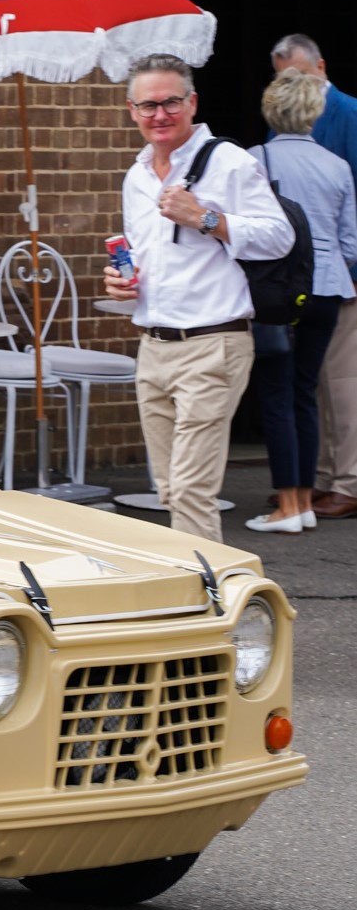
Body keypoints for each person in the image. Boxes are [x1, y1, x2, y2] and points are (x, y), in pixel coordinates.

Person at [103, 54, 294, 542]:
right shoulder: (137, 176)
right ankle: (202, 588)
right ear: (132, 110)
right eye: (149, 105)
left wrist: (207, 218)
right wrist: (123, 283)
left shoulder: (228, 163)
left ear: (192, 103)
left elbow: (279, 236)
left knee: (191, 490)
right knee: (169, 489)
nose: (160, 115)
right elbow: (149, 258)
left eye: (170, 102)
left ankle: (212, 598)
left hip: (214, 345)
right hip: (154, 344)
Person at [244, 71, 357, 532]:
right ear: (312, 112)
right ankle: (306, 502)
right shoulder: (337, 166)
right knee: (306, 394)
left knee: (276, 394)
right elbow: (350, 245)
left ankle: (287, 507)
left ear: (272, 109)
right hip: (329, 290)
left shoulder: (256, 158)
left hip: (278, 290)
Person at [271, 33, 357, 519]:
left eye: (299, 75)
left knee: (343, 383)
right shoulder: (281, 129)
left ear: (320, 67)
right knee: (311, 384)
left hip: (340, 275)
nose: (293, 85)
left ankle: (348, 480)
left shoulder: (349, 115)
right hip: (300, 278)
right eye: (284, 77)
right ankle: (316, 479)